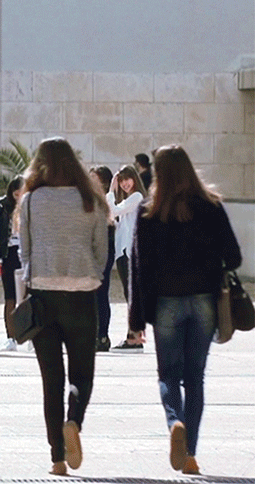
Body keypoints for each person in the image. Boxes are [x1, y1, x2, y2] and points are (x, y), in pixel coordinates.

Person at [129, 145, 241, 476]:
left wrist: (136, 318)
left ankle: (174, 423)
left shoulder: (149, 211)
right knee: (195, 377)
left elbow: (139, 267)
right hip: (205, 299)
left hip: (166, 302)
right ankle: (190, 454)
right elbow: (233, 257)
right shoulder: (211, 206)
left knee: (168, 375)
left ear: (157, 174)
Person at [19, 137, 109, 476]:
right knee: (82, 370)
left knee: (50, 378)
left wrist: (35, 274)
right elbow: (102, 248)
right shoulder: (90, 199)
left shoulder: (30, 200)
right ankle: (75, 420)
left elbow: (24, 249)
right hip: (82, 292)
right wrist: (92, 273)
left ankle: (57, 458)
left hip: (43, 293)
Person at [108, 164, 147, 352]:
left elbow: (113, 211)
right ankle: (133, 337)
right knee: (129, 296)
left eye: (127, 179)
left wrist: (110, 190)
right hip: (124, 251)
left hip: (130, 251)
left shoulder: (137, 197)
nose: (124, 184)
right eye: (121, 181)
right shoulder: (129, 200)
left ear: (135, 179)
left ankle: (135, 338)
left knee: (132, 297)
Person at [0, 176, 24, 352]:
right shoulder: (1, 206)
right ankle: (11, 337)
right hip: (8, 253)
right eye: (16, 193)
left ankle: (29, 335)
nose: (19, 197)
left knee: (29, 296)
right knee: (10, 296)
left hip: (28, 254)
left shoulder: (32, 206)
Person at [89, 165, 115, 352]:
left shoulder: (108, 200)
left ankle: (102, 335)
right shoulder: (87, 199)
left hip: (105, 248)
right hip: (88, 250)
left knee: (101, 293)